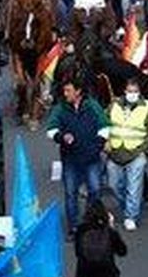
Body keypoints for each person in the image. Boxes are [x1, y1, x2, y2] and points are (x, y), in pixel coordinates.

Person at [45, 79, 109, 232]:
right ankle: (73, 226)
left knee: (94, 190)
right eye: (64, 91)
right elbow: (51, 129)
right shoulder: (60, 108)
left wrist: (97, 146)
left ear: (78, 91)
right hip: (71, 159)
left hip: (91, 158)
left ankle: (91, 222)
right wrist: (61, 137)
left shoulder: (93, 106)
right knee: (70, 193)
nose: (65, 94)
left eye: (68, 90)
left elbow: (105, 127)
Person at [104, 75, 148, 230]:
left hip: (136, 153)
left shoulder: (147, 107)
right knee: (113, 185)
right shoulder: (114, 104)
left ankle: (130, 216)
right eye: (129, 91)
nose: (132, 94)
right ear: (124, 91)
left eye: (135, 91)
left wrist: (145, 152)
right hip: (115, 152)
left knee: (134, 187)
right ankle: (129, 204)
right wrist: (105, 141)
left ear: (139, 92)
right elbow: (104, 122)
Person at [73, 198, 127, 277]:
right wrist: (112, 227)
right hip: (107, 275)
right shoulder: (109, 232)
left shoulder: (80, 230)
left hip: (86, 276)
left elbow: (78, 253)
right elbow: (122, 251)